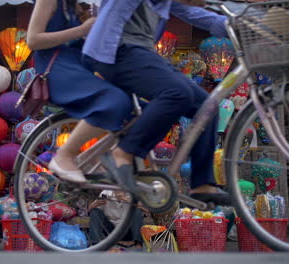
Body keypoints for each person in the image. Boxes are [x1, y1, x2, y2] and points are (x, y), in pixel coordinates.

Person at [82, 0, 232, 205]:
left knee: (208, 106)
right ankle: (124, 152)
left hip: (141, 52)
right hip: (116, 49)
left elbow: (194, 14)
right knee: (177, 92)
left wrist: (237, 24)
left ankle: (202, 183)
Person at [26, 0, 132, 183]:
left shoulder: (74, 6)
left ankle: (94, 157)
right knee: (114, 100)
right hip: (58, 71)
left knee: (137, 107)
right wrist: (82, 30)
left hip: (79, 69)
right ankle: (64, 155)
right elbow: (33, 40)